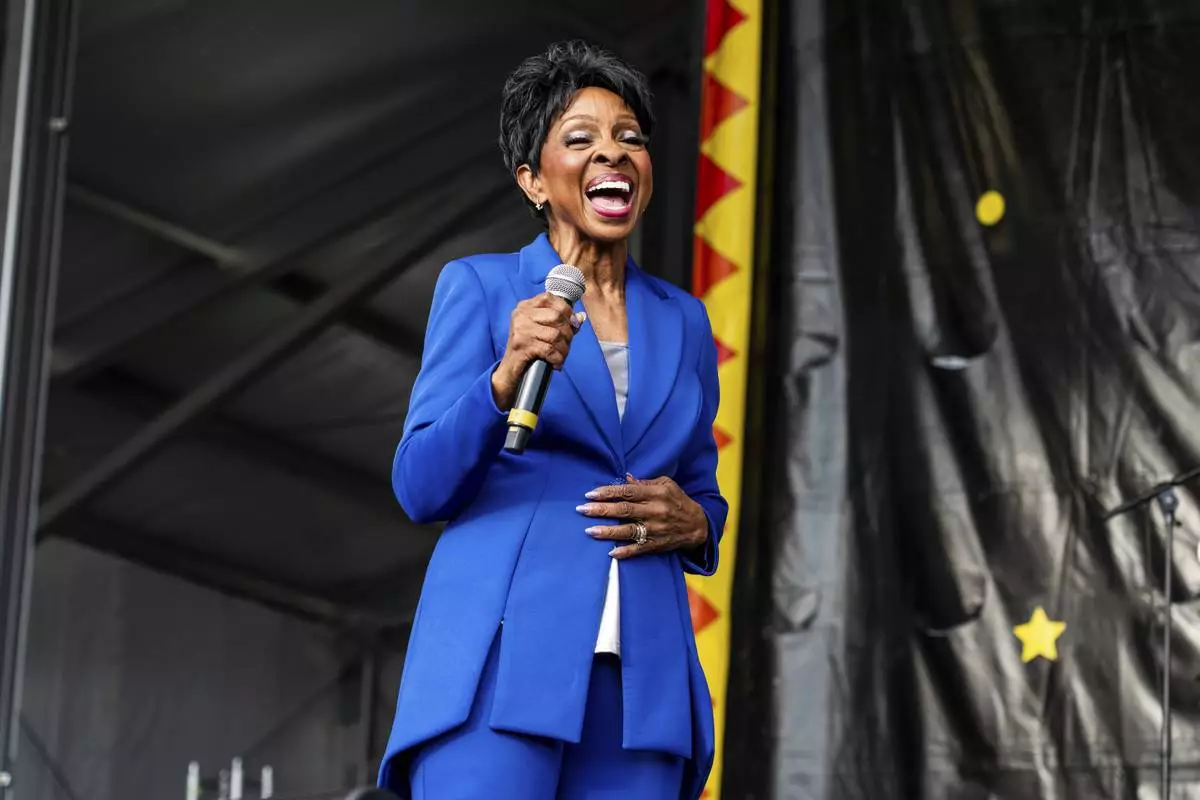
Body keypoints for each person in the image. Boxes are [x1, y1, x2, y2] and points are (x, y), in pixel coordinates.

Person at [377, 40, 728, 800]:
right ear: (534, 180)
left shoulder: (687, 321)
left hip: (644, 683)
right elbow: (419, 485)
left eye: (630, 137)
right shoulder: (480, 286)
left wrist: (696, 524)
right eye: (582, 139)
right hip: (501, 662)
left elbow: (704, 489)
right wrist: (501, 381)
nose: (615, 152)